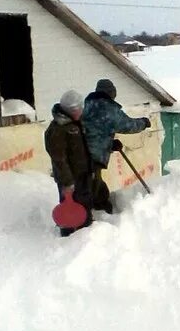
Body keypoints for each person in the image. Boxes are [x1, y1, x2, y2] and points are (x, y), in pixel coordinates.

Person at [81, 79, 151, 214]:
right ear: (110, 93)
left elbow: (95, 129)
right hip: (94, 155)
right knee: (92, 187)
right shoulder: (109, 109)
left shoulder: (88, 105)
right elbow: (128, 125)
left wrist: (108, 143)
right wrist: (144, 122)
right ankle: (95, 215)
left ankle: (100, 210)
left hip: (82, 151)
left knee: (91, 183)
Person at [44, 89, 93, 236]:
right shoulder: (57, 130)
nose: (82, 111)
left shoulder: (74, 123)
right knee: (71, 209)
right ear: (70, 110)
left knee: (84, 205)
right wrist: (67, 181)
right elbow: (59, 158)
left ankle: (87, 232)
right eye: (79, 108)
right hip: (70, 178)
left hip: (82, 174)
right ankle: (69, 237)